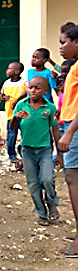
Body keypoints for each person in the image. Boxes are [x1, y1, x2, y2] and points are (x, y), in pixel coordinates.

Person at [12, 76, 61, 226]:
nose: (32, 91)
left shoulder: (50, 108)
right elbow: (12, 127)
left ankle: (52, 203)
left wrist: (59, 153)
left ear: (45, 91)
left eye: (37, 88)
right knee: (33, 183)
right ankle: (41, 213)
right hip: (27, 150)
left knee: (47, 179)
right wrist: (16, 117)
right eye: (30, 87)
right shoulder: (21, 105)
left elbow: (55, 131)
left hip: (45, 149)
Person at [57, 23, 78, 256]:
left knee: (74, 181)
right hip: (70, 123)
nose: (61, 47)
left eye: (64, 42)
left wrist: (70, 131)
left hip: (75, 126)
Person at [1, 61, 27, 167]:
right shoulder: (6, 83)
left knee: (25, 134)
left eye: (9, 68)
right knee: (11, 135)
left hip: (23, 114)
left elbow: (27, 93)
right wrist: (3, 98)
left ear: (16, 71)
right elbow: (2, 94)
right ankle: (12, 155)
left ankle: (22, 151)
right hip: (10, 115)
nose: (7, 71)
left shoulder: (24, 82)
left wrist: (17, 100)